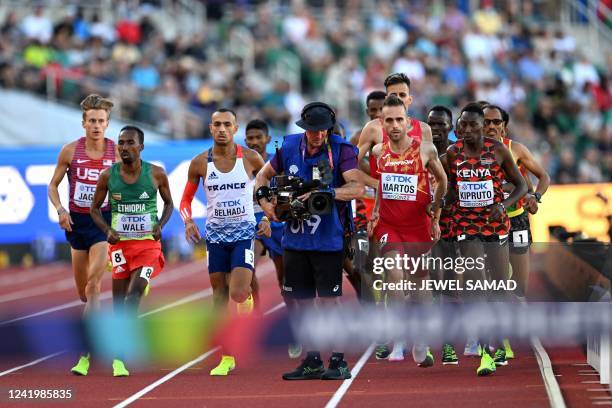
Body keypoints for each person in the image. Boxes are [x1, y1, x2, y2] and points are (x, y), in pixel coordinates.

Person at [255, 102, 364, 380]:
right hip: (294, 240)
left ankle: (338, 360)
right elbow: (261, 178)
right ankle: (312, 359)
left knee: (329, 302)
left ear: (329, 128)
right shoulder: (289, 147)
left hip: (329, 240)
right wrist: (268, 207)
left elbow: (357, 187)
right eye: (311, 130)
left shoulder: (342, 150)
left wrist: (327, 195)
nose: (316, 135)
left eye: (322, 130)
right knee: (301, 302)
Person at [180, 108, 266, 376]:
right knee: (218, 298)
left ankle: (247, 312)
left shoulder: (251, 158)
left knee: (238, 292)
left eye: (226, 124)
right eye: (216, 124)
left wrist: (268, 217)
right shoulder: (199, 163)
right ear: (210, 128)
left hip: (243, 234)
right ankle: (226, 357)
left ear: (235, 128)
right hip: (215, 237)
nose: (221, 129)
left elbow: (269, 190)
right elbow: (184, 200)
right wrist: (188, 221)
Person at [444, 103, 527, 376]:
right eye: (462, 126)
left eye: (472, 126)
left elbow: (521, 185)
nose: (466, 130)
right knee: (477, 284)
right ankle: (485, 352)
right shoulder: (452, 154)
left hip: (496, 226)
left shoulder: (498, 150)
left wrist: (503, 205)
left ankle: (500, 339)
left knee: (501, 286)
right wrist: (441, 203)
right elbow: (445, 188)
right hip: (466, 227)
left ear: (483, 127)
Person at [368, 95, 447, 365]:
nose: (394, 125)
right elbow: (382, 184)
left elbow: (443, 180)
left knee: (418, 282)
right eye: (388, 120)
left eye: (399, 119)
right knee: (394, 273)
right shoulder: (379, 152)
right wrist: (376, 211)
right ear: (382, 122)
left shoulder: (426, 150)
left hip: (418, 224)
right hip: (390, 224)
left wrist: (435, 212)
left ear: (407, 120)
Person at [90, 126, 173, 377]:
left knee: (132, 296)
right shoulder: (107, 176)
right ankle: (119, 358)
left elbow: (169, 202)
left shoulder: (156, 174)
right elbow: (94, 209)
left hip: (148, 245)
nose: (124, 147)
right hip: (120, 247)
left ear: (141, 147)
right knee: (118, 304)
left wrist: (160, 225)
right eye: (121, 143)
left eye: (130, 143)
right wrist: (107, 231)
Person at [47, 94, 117, 376]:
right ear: (84, 123)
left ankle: (85, 353)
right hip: (76, 225)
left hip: (103, 224)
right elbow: (52, 186)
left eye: (101, 121)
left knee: (93, 286)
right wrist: (61, 210)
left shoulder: (116, 152)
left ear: (108, 124)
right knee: (83, 294)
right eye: (92, 121)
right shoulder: (69, 151)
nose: (97, 126)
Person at [483, 104, 550, 360]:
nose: (490, 126)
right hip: (486, 225)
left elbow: (543, 177)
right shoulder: (473, 152)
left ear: (503, 126)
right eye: (486, 122)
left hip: (517, 221)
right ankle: (500, 340)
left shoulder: (516, 149)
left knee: (518, 288)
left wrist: (535, 196)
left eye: (495, 122)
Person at [426, 105, 460, 365]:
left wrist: (442, 202)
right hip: (419, 221)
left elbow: (462, 188)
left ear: (451, 127)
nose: (436, 129)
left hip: (449, 222)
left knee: (446, 278)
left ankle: (448, 341)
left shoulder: (456, 153)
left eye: (441, 124)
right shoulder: (418, 149)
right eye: (432, 124)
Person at [357, 73, 432, 189]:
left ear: (410, 99)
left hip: (417, 205)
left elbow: (431, 171)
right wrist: (375, 184)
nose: (398, 99)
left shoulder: (424, 129)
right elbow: (349, 166)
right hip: (385, 205)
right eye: (394, 95)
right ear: (386, 99)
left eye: (402, 95)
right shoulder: (373, 128)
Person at [244, 119, 284, 304]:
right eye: (250, 138)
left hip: (276, 222)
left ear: (267, 138)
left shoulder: (276, 163)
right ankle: (257, 310)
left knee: (283, 277)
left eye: (258, 137)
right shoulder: (239, 165)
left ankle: (291, 308)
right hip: (252, 223)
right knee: (247, 265)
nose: (254, 141)